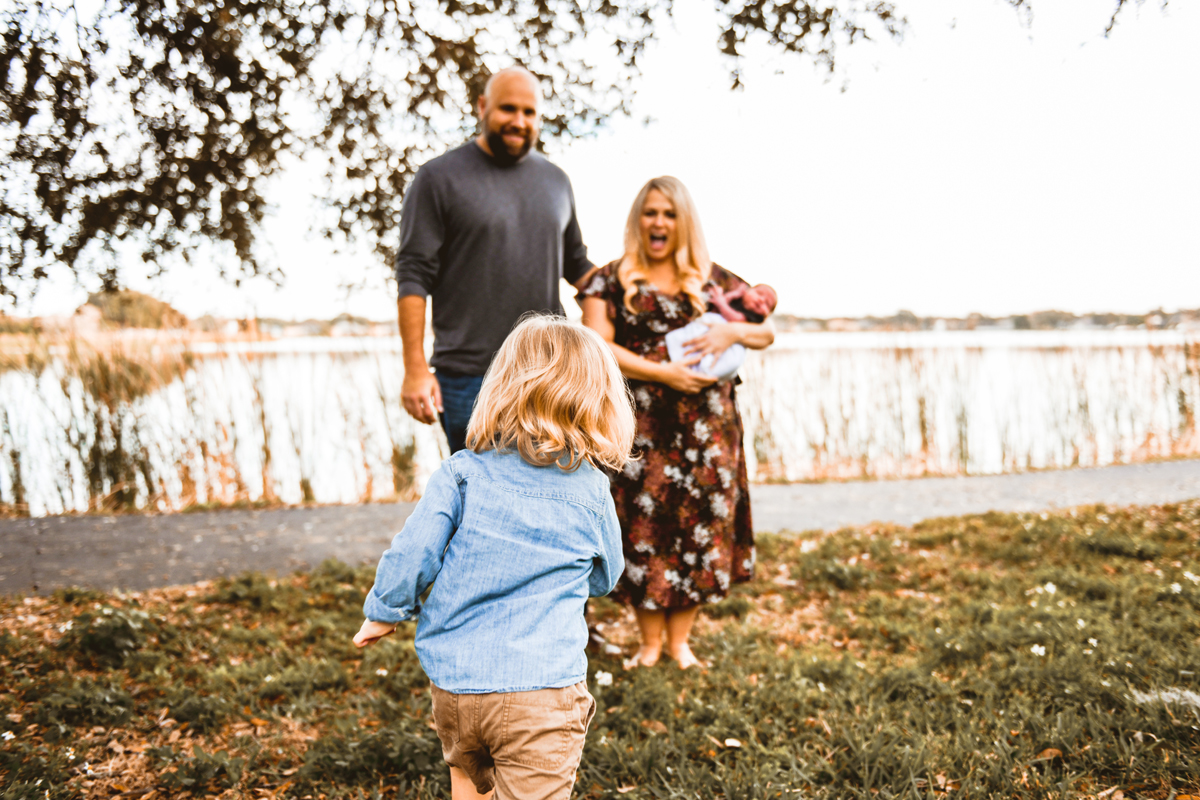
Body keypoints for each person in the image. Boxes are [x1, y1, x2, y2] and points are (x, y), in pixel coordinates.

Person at [353, 315, 634, 800]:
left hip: (457, 689)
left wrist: (383, 610)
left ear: (501, 387)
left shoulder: (462, 473)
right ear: (598, 399)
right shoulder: (591, 489)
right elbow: (607, 574)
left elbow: (413, 551)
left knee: (467, 784)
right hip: (542, 693)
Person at [578, 176, 775, 670]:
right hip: (641, 426)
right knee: (642, 528)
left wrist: (731, 328)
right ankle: (648, 645)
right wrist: (662, 371)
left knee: (699, 527)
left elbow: (765, 332)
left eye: (669, 213)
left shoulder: (713, 280)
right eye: (650, 213)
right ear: (637, 220)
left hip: (707, 432)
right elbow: (597, 345)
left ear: (682, 221)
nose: (659, 222)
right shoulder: (608, 279)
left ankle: (681, 643)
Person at [394, 65, 596, 453]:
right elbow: (413, 275)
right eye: (508, 109)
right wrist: (415, 369)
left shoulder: (556, 181)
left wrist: (636, 289)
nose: (519, 121)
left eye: (529, 112)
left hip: (549, 370)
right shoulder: (438, 178)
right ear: (482, 106)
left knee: (550, 498)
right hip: (469, 377)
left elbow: (578, 265)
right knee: (481, 502)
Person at [664, 282, 779, 379]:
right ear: (747, 291)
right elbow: (726, 300)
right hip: (711, 329)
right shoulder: (738, 298)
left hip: (729, 345)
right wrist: (734, 294)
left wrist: (720, 302)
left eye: (767, 304)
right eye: (759, 293)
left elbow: (734, 317)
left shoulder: (753, 317)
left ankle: (701, 371)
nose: (761, 300)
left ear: (767, 314)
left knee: (718, 361)